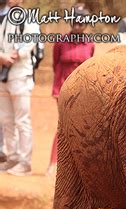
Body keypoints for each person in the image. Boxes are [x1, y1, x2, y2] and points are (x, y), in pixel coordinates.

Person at [46, 3, 95, 177]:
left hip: (82, 91)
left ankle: (77, 169)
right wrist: (59, 87)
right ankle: (53, 163)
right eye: (75, 21)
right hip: (62, 89)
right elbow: (55, 65)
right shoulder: (60, 42)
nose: (78, 24)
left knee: (80, 127)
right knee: (64, 125)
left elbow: (90, 67)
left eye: (82, 21)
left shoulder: (90, 44)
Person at [0, 0, 40, 175]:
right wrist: (2, 57)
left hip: (20, 74)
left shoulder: (28, 18)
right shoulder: (2, 17)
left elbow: (30, 42)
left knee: (22, 120)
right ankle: (13, 157)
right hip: (3, 74)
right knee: (6, 119)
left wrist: (13, 56)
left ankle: (25, 162)